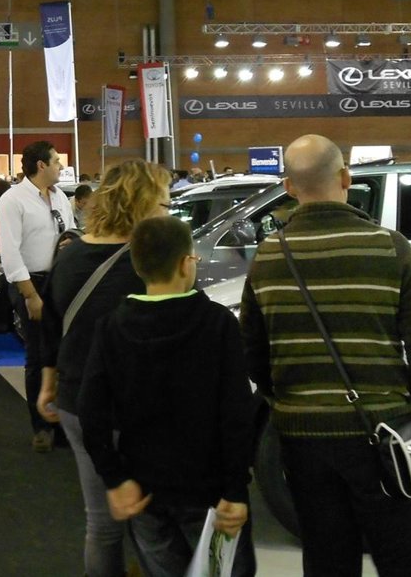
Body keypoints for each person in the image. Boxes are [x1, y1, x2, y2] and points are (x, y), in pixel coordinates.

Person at [240, 134, 411, 576]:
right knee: (404, 556)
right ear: (346, 177)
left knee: (327, 556)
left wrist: (286, 401)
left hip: (303, 438)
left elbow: (253, 352)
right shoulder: (391, 247)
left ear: (289, 187)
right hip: (384, 432)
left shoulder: (268, 257)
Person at [79, 216, 255, 577]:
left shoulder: (111, 328)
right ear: (185, 263)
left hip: (145, 490)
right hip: (211, 492)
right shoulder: (218, 324)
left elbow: (90, 410)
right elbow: (236, 413)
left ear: (138, 267)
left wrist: (114, 477)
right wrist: (236, 489)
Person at [36, 159, 171, 577]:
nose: (169, 212)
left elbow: (50, 327)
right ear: (142, 202)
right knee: (152, 524)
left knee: (101, 525)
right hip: (136, 410)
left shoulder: (70, 254)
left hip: (77, 404)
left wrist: (47, 385)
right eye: (164, 203)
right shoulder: (150, 262)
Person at [0, 141, 75, 452]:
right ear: (41, 165)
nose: (60, 166)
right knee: (39, 355)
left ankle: (64, 427)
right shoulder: (13, 200)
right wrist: (30, 295)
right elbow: (10, 252)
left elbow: (71, 232)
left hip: (60, 281)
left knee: (64, 355)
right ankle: (41, 427)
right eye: (56, 161)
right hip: (31, 284)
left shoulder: (60, 197)